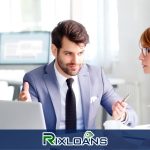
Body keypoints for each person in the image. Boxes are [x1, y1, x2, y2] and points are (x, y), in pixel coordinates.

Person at [19, 20, 137, 130]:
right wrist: (26, 110)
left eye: (80, 53)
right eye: (68, 53)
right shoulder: (34, 80)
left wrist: (122, 115)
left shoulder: (96, 76)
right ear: (54, 50)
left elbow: (132, 117)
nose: (75, 61)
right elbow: (29, 129)